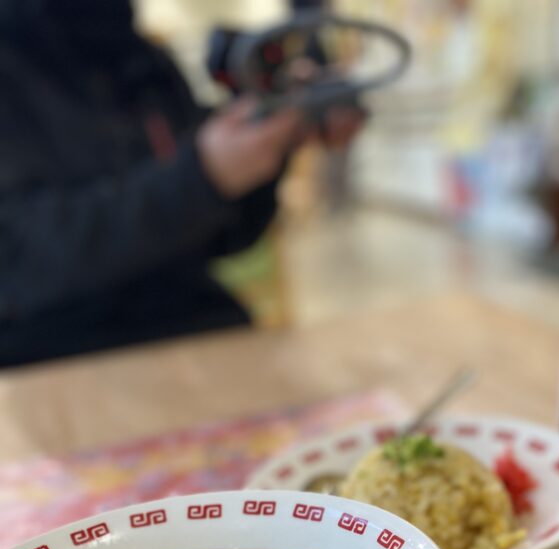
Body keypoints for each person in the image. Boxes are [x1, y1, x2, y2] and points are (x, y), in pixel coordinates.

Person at [0, 0, 361, 365]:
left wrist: (271, 144)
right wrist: (200, 178)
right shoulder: (15, 59)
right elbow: (19, 262)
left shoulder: (145, 59)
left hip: (195, 332)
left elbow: (225, 237)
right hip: (52, 358)